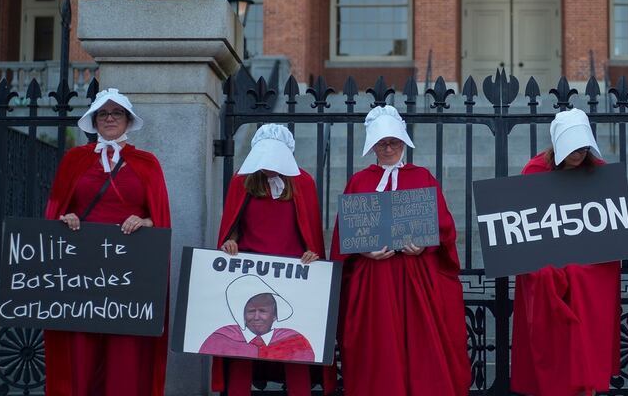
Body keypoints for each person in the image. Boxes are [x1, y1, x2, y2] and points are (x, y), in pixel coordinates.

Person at [330, 105, 470, 396]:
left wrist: (425, 245)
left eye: (394, 141)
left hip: (416, 277)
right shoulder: (359, 181)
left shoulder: (423, 177)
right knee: (378, 344)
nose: (389, 148)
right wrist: (364, 250)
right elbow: (345, 233)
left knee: (420, 343)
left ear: (404, 142)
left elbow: (445, 228)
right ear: (373, 147)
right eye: (382, 143)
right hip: (374, 280)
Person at [43, 88, 171, 396]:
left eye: (116, 113)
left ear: (128, 120)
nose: (110, 118)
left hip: (129, 276)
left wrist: (146, 221)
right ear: (94, 120)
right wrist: (66, 217)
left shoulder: (147, 163)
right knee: (80, 351)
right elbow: (56, 209)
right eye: (103, 113)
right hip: (80, 272)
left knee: (124, 353)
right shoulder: (75, 159)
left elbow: (161, 218)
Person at [212, 123, 334, 396]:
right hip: (249, 273)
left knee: (294, 344)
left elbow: (310, 232)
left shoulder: (303, 182)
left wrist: (310, 253)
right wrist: (231, 241)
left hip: (292, 276)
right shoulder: (240, 182)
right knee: (243, 343)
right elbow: (233, 226)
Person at [511, 108, 621, 396]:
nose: (579, 153)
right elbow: (522, 228)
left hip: (588, 265)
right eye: (573, 147)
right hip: (547, 264)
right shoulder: (535, 170)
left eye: (584, 147)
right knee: (547, 277)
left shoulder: (599, 170)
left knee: (584, 283)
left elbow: (610, 228)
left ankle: (587, 385)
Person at [200, 274, 315, 362]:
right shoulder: (222, 338)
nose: (256, 317)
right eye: (251, 311)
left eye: (263, 311)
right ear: (242, 315)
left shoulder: (295, 341)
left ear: (274, 315)